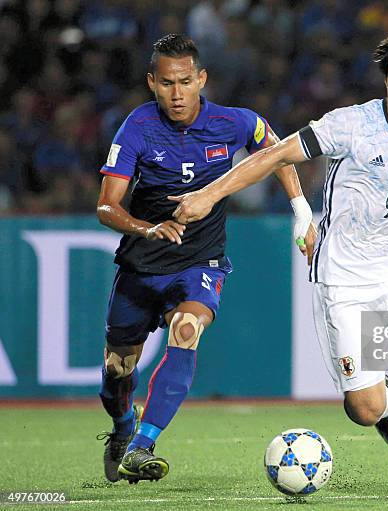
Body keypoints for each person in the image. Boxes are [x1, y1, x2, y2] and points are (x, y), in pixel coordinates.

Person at [170, 21, 388, 498]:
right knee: (363, 409)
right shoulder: (351, 124)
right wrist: (209, 194)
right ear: (385, 80)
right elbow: (276, 155)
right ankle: (385, 405)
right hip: (343, 278)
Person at [95, 34, 315, 484]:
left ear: (202, 79)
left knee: (187, 329)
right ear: (152, 82)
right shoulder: (136, 127)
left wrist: (300, 210)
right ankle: (122, 427)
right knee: (118, 369)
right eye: (167, 83)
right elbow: (106, 206)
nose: (177, 94)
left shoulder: (236, 123)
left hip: (201, 260)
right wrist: (147, 227)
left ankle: (142, 445)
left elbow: (278, 154)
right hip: (142, 264)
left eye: (186, 82)